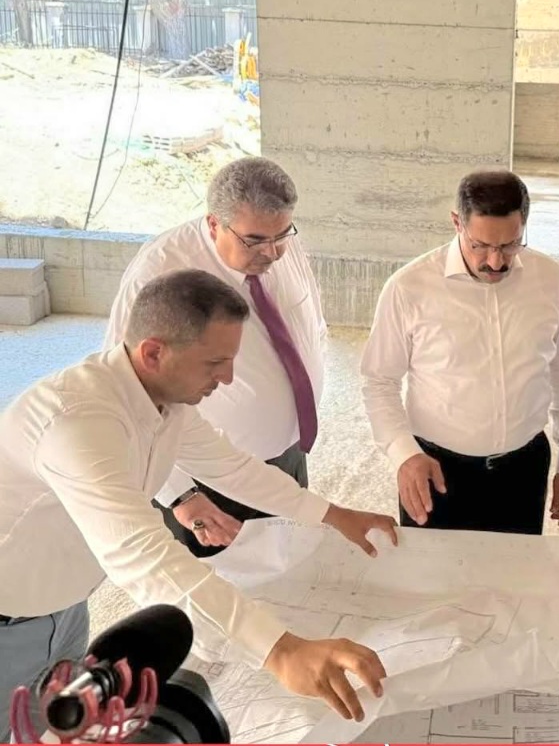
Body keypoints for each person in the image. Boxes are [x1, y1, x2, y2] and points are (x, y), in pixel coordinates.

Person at [0, 270, 398, 737]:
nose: (227, 378)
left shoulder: (166, 402)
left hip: (66, 607)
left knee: (56, 732)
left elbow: (233, 468)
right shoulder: (76, 421)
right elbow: (142, 556)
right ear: (153, 353)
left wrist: (331, 514)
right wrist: (280, 650)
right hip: (8, 623)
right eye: (215, 362)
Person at [104, 156, 326, 558]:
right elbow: (126, 393)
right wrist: (180, 494)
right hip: (208, 479)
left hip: (289, 455)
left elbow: (313, 330)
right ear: (213, 224)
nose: (273, 252)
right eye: (255, 240)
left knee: (287, 571)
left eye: (282, 234)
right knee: (216, 584)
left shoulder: (281, 244)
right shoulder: (159, 271)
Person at [361, 170, 559, 535]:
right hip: (435, 471)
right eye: (480, 245)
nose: (495, 262)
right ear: (457, 223)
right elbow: (379, 381)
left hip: (523, 470)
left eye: (510, 245)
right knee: (434, 572)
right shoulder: (409, 288)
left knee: (514, 570)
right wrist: (404, 454)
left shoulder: (550, 279)